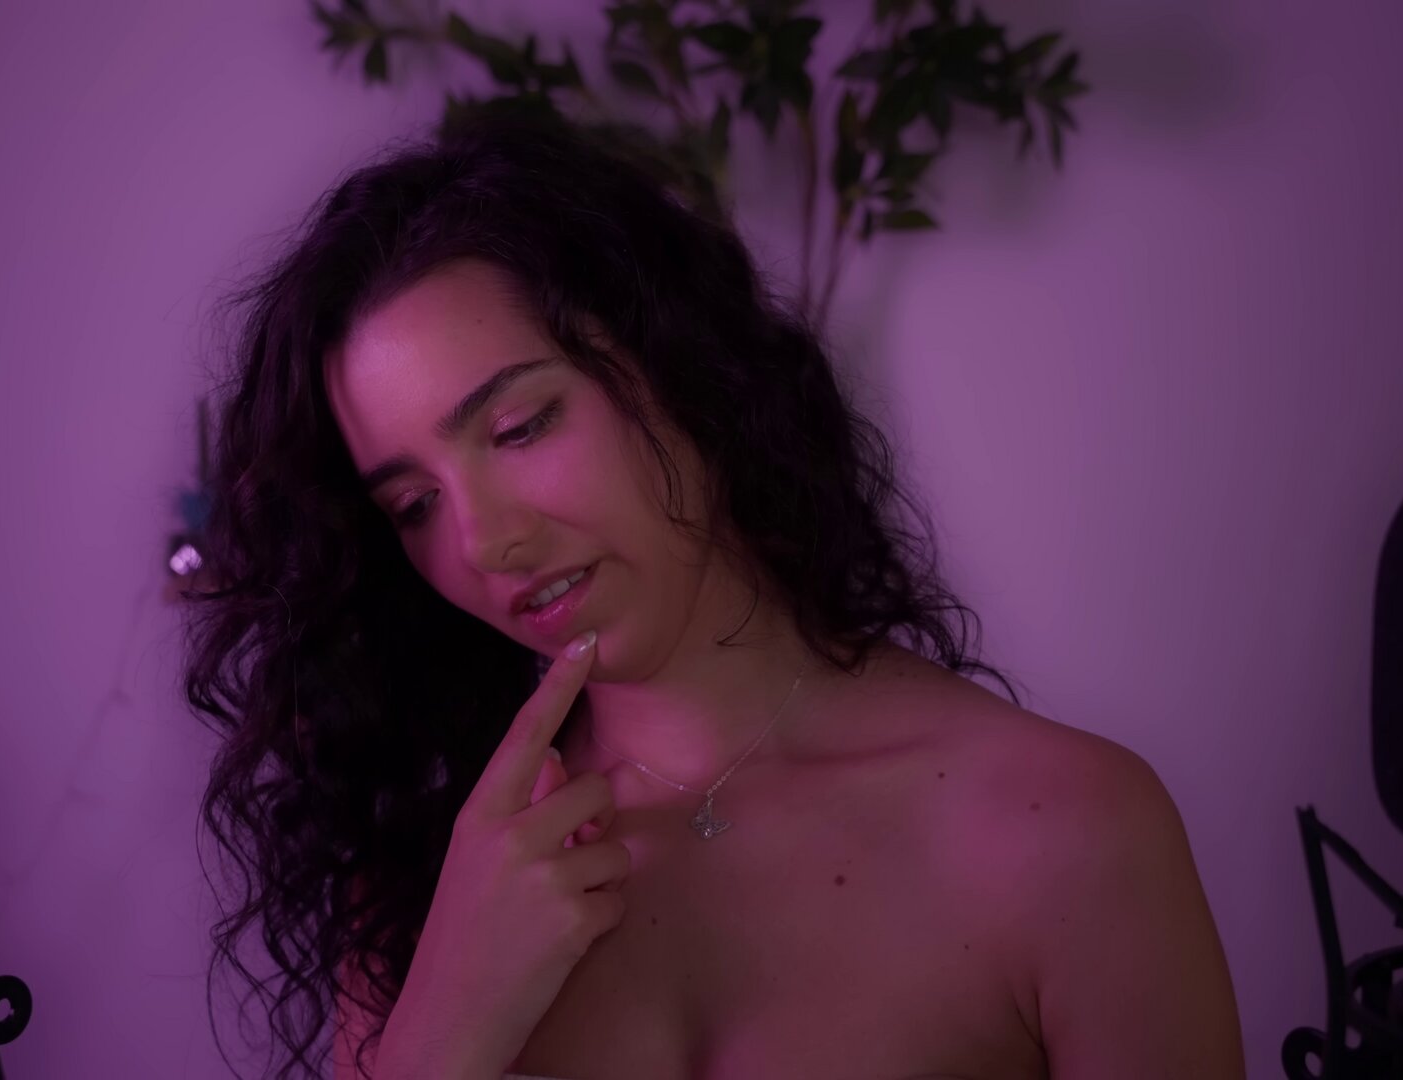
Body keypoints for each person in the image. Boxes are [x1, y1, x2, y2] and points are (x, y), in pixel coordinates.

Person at [182, 106, 1245, 1080]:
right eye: (414, 505)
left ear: (683, 366)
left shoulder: (1065, 831)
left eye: (519, 427)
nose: (485, 542)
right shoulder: (436, 888)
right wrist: (446, 1026)